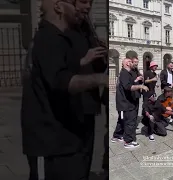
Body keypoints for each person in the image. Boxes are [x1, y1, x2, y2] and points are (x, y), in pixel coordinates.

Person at [20, 0, 109, 179]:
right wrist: (102, 79)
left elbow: (65, 69)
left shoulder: (63, 36)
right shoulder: (47, 38)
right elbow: (61, 80)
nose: (83, 8)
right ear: (59, 7)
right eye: (79, 2)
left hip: (69, 133)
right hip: (52, 140)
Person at [65, 0, 107, 177]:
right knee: (73, 155)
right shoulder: (63, 32)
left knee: (87, 151)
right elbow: (59, 72)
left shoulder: (86, 30)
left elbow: (98, 67)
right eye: (83, 2)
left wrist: (101, 56)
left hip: (88, 102)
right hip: (72, 102)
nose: (88, 7)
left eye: (89, 2)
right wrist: (84, 59)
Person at [111, 58, 149, 148]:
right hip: (126, 102)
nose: (133, 63)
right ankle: (128, 141)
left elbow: (130, 83)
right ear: (127, 63)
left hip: (129, 101)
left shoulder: (128, 73)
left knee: (123, 120)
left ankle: (117, 136)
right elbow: (128, 87)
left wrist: (137, 81)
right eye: (131, 62)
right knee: (130, 121)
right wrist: (140, 86)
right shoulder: (124, 73)